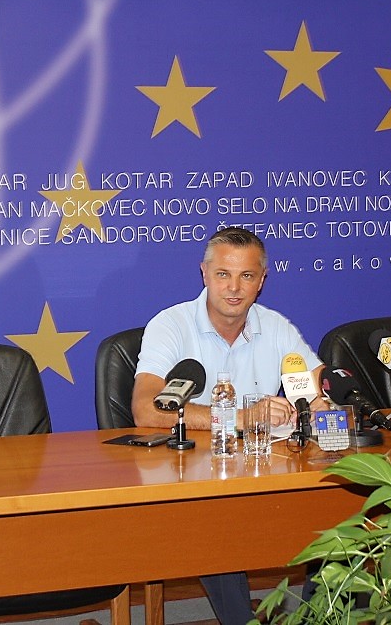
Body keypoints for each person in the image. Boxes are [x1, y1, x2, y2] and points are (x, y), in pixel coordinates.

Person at [132, 226, 327, 624]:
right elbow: (147, 411)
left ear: (262, 281)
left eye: (247, 276)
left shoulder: (276, 327)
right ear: (204, 274)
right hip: (191, 487)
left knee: (332, 512)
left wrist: (319, 406)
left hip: (259, 478)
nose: (234, 288)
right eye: (223, 274)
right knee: (217, 524)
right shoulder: (170, 325)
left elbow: (316, 391)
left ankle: (318, 618)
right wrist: (239, 417)